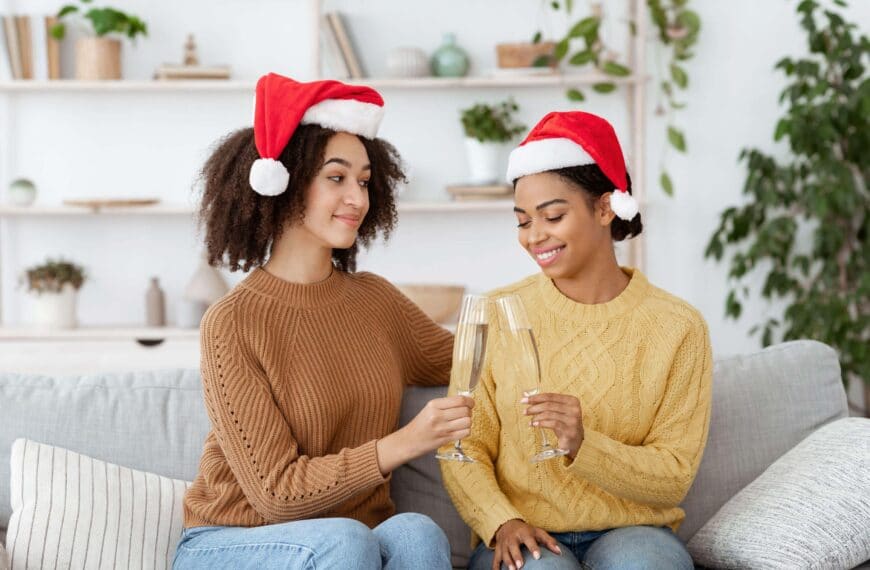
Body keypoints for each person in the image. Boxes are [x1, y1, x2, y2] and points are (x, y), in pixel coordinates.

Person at [173, 73, 471, 569]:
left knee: (417, 532)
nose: (358, 197)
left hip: (346, 541)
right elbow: (274, 494)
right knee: (348, 541)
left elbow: (473, 357)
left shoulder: (375, 301)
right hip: (234, 541)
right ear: (284, 181)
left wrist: (554, 308)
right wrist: (406, 442)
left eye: (364, 181)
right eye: (337, 178)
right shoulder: (232, 322)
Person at [441, 111, 712, 570]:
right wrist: (500, 520)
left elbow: (674, 476)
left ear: (605, 208)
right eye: (523, 221)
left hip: (634, 531)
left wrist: (585, 445)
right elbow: (464, 446)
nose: (534, 236)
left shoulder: (678, 327)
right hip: (522, 528)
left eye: (552, 215)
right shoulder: (495, 313)